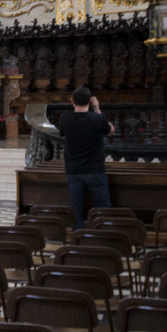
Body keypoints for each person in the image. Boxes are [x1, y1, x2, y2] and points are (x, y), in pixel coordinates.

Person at [55, 86, 115, 228]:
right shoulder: (97, 119)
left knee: (76, 209)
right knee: (103, 207)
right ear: (90, 101)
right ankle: (103, 235)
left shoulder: (64, 118)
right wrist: (97, 108)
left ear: (72, 101)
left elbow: (61, 133)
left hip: (73, 170)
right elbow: (110, 131)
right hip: (95, 169)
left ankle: (79, 238)